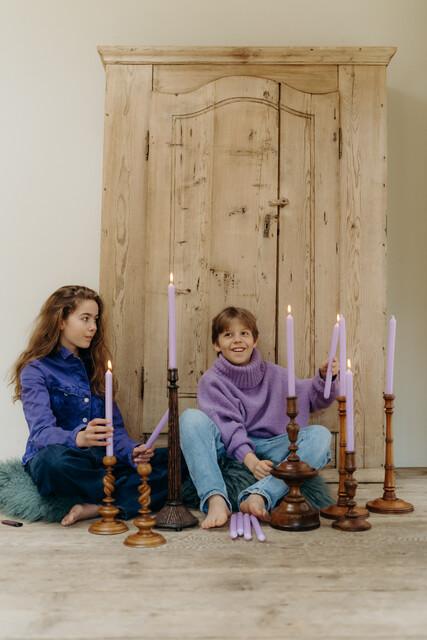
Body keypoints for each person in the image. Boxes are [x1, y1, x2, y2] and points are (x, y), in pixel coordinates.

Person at [10, 285, 168, 526]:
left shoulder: (96, 368)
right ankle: (121, 496)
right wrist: (79, 438)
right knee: (52, 463)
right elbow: (41, 434)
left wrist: (132, 451)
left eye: (95, 319)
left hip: (101, 461)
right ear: (61, 321)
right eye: (85, 319)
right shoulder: (36, 369)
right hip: (64, 459)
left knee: (175, 460)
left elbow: (116, 432)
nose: (93, 327)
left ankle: (96, 505)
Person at [179, 306, 338, 529]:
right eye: (228, 335)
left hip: (273, 448)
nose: (237, 340)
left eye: (244, 333)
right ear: (216, 344)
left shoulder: (275, 374)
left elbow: (312, 398)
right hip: (230, 451)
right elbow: (228, 427)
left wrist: (325, 377)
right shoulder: (212, 381)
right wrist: (251, 462)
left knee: (320, 435)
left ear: (255, 340)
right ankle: (215, 498)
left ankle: (261, 495)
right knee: (190, 418)